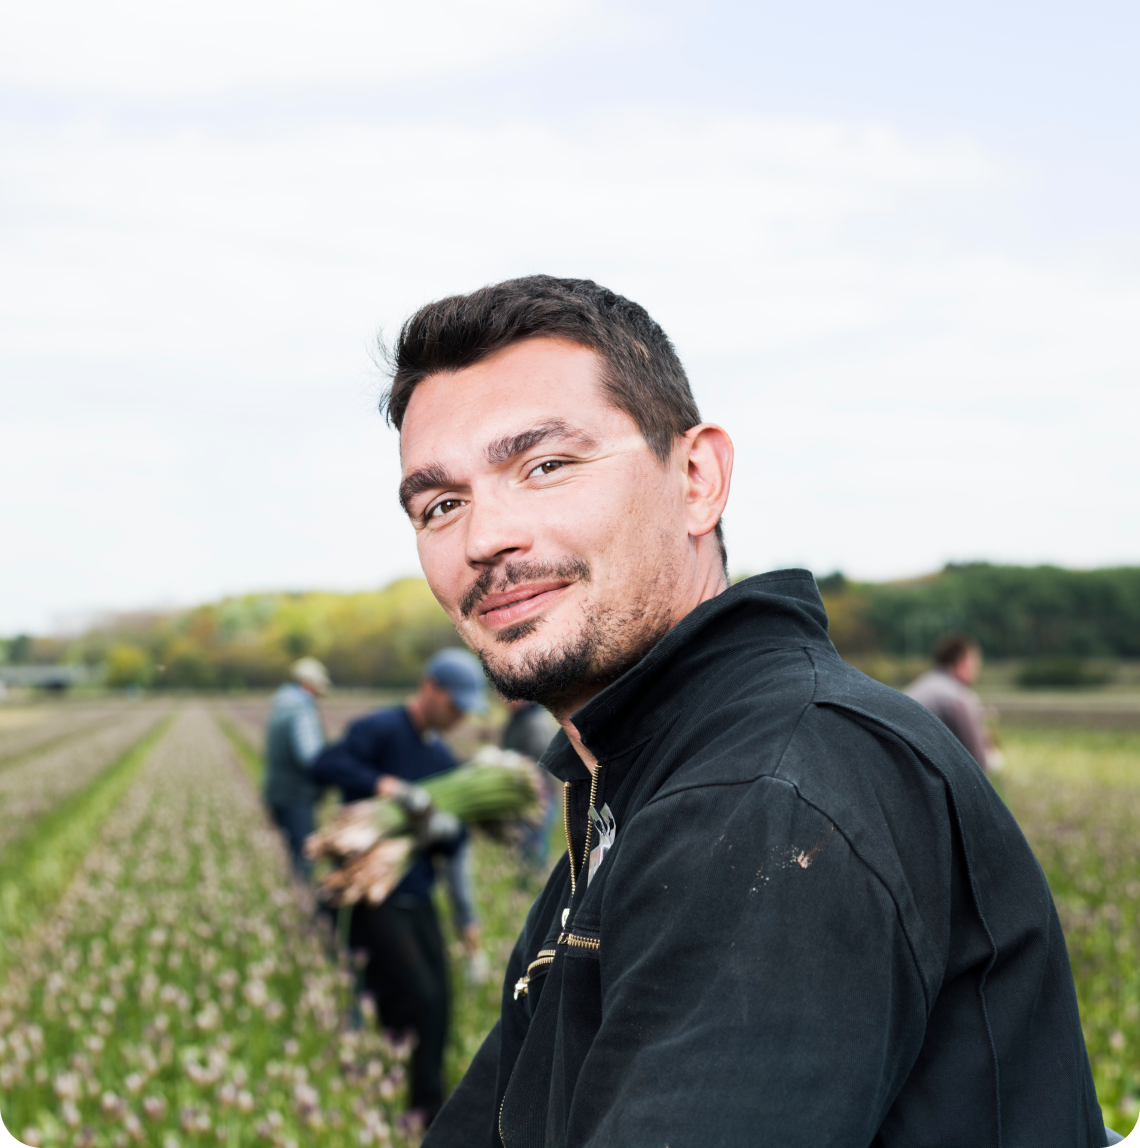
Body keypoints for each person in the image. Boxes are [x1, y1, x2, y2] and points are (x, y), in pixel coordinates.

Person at [379, 275, 1111, 1146]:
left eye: (546, 466)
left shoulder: (769, 787)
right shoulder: (630, 777)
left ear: (697, 478)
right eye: (441, 504)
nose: (482, 538)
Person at [311, 648, 487, 1127]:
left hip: (416, 891)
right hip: (371, 894)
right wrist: (385, 786)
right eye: (455, 705)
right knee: (415, 997)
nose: (458, 718)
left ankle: (425, 1111)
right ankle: (402, 1102)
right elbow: (325, 765)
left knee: (441, 1003)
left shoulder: (441, 758)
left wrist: (448, 837)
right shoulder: (382, 729)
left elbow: (448, 846)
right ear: (429, 688)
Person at [264, 656, 329, 879]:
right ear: (308, 683)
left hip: (276, 792)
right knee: (305, 858)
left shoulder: (281, 705)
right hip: (297, 797)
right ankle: (300, 907)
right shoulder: (301, 711)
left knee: (290, 855)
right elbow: (311, 757)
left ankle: (290, 900)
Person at [905, 632, 998, 771]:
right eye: (975, 663)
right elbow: (979, 763)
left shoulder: (921, 685)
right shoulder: (958, 697)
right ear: (962, 663)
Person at [501, 700, 559, 869]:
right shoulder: (516, 720)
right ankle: (527, 883)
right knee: (524, 845)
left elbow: (538, 764)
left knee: (534, 845)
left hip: (538, 797)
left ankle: (534, 885)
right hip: (522, 796)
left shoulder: (535, 724)